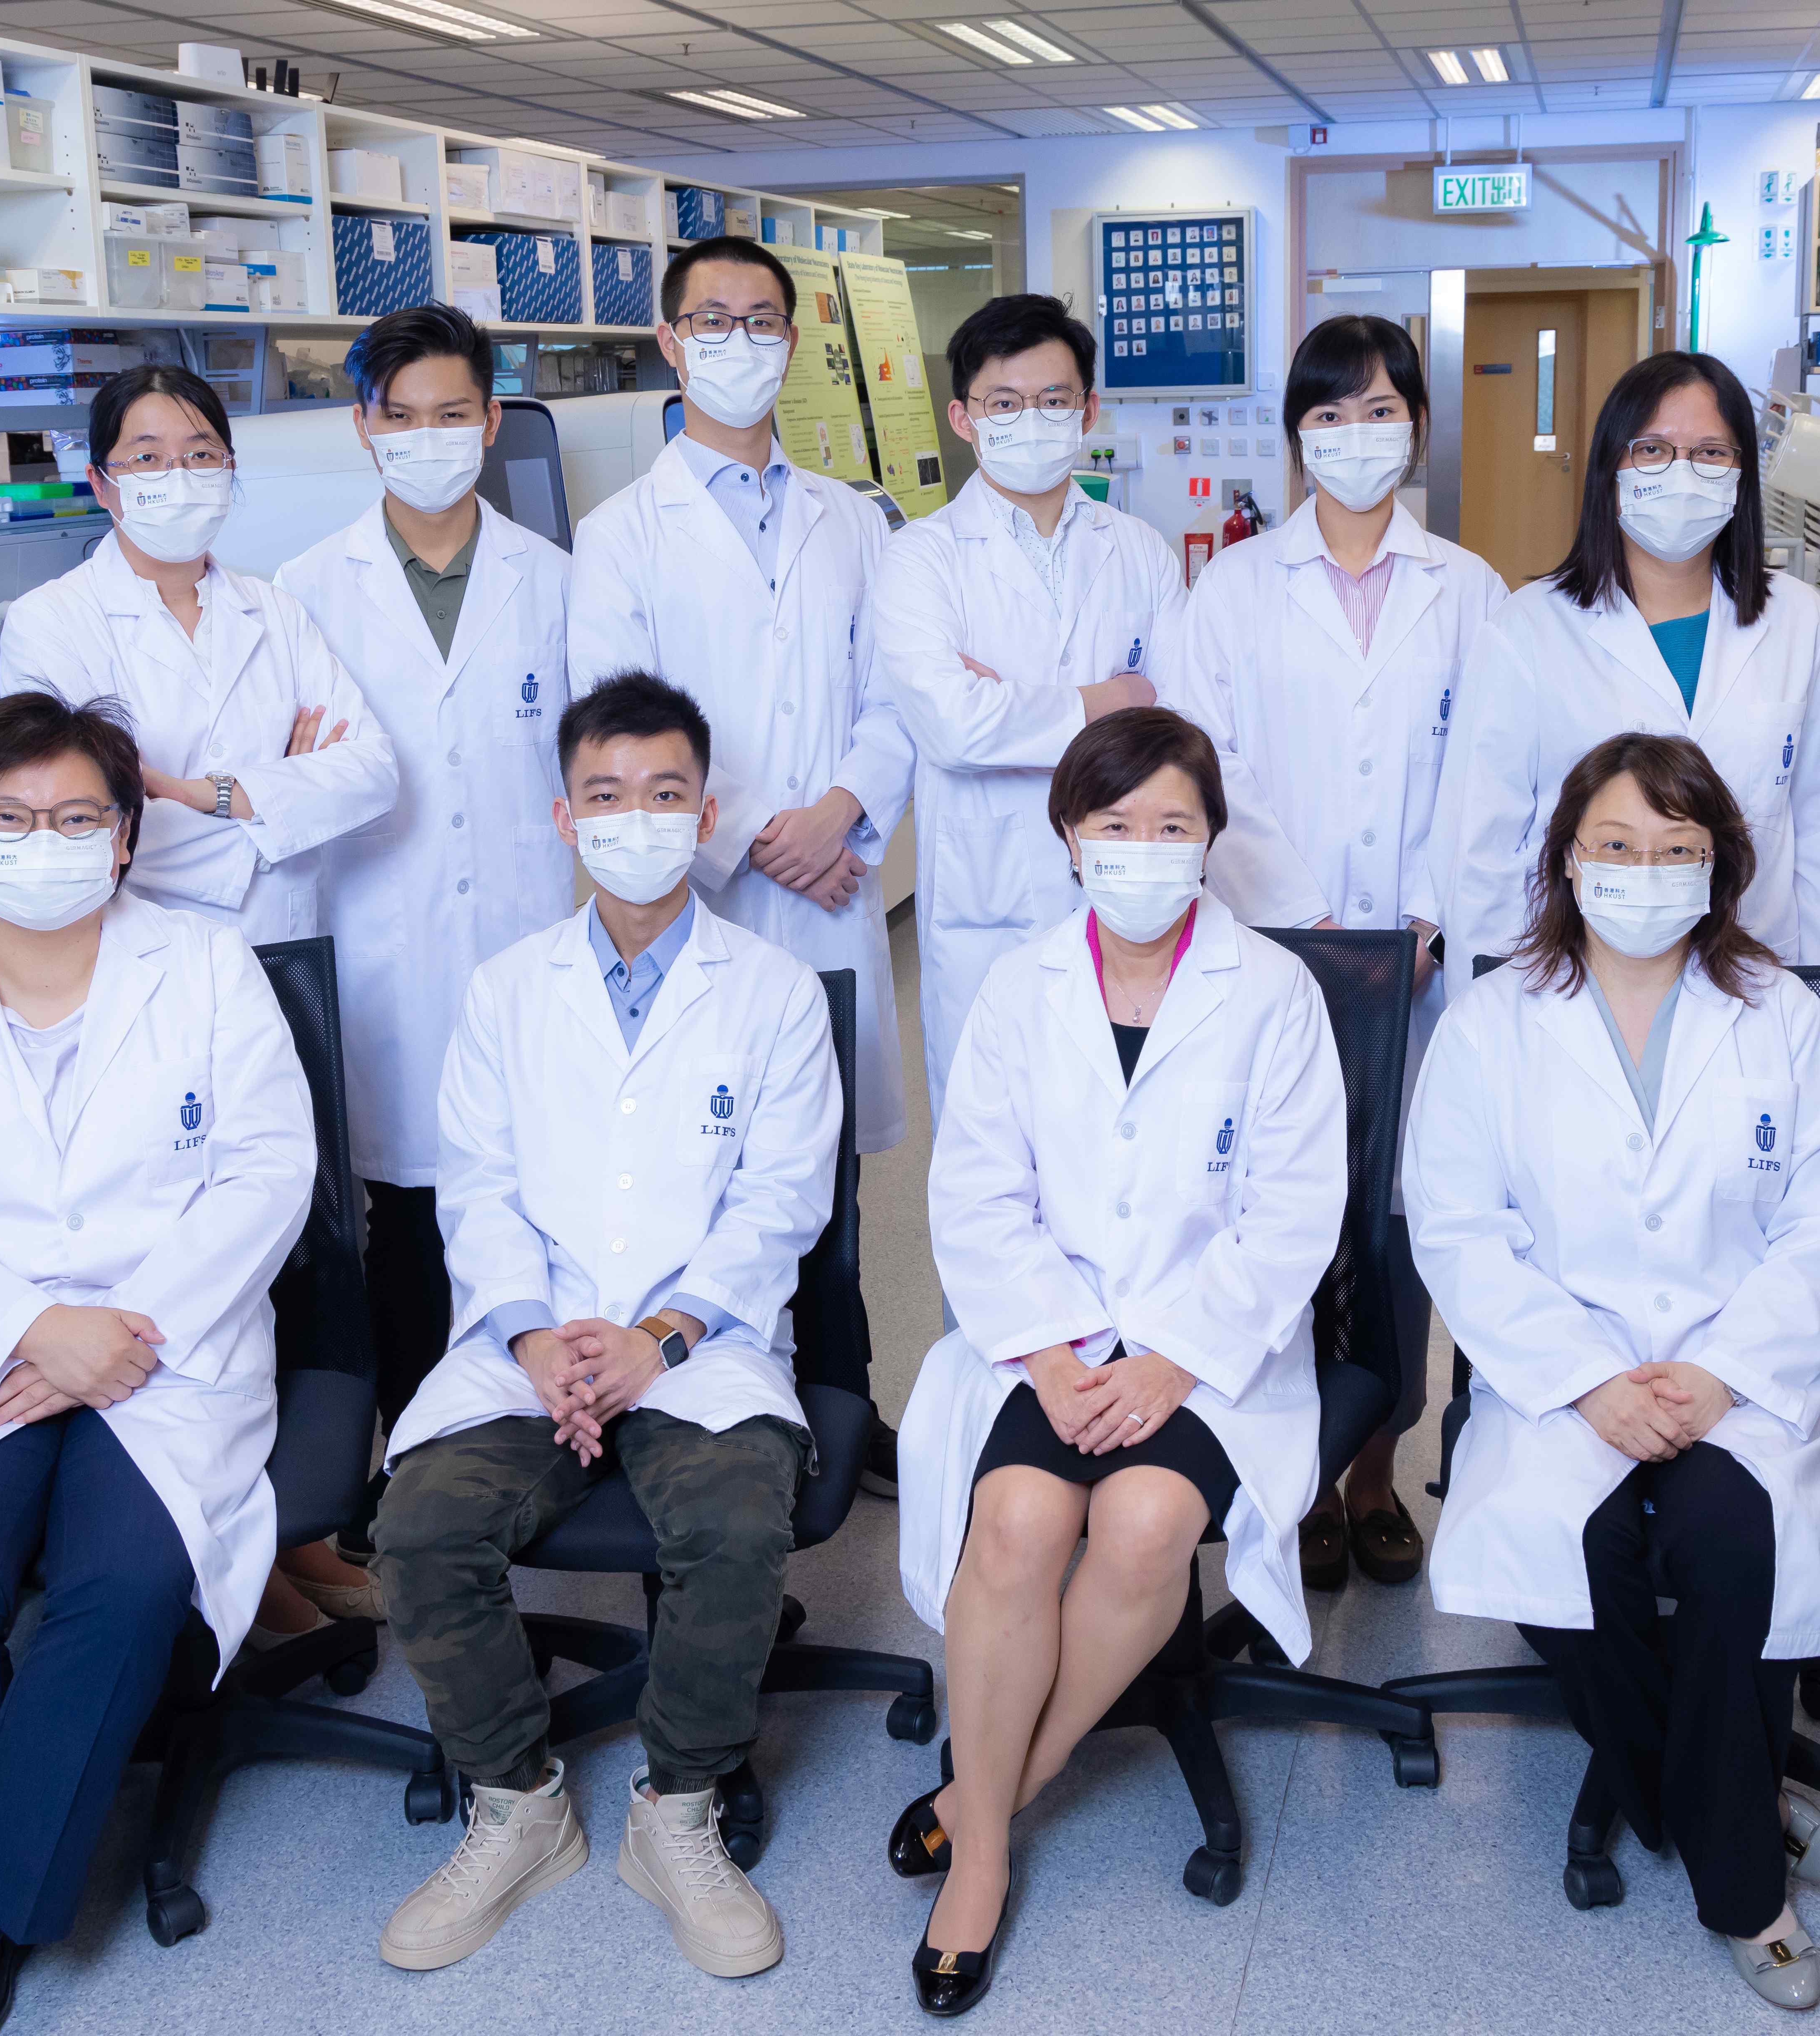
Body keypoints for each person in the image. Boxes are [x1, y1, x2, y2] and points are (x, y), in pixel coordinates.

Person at [0, 693, 316, 2036]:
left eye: (78, 816)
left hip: (172, 1344)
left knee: (123, 1585)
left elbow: (270, 1171)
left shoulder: (207, 968)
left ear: (127, 836)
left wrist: (127, 1327)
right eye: (10, 818)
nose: (45, 841)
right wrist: (35, 1330)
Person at [1407, 732, 1820, 2014]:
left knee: (1731, 1548)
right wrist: (1586, 1381)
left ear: (1717, 867)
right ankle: (1737, 1812)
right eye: (1614, 846)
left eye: (1675, 850)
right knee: (1582, 1558)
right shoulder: (1492, 1021)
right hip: (1558, 1386)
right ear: (1567, 861)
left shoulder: (1777, 1016)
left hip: (1730, 1380)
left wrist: (1723, 1374)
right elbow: (1456, 1229)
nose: (1641, 871)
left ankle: (1738, 1889)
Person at [368, 674, 840, 1983]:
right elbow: (476, 1188)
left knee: (734, 1527)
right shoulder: (505, 991)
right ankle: (517, 1804)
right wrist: (535, 1340)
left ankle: (677, 1813)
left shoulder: (774, 994)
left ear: (706, 812)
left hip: (702, 1345)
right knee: (420, 1527)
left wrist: (659, 1339)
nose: (637, 819)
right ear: (565, 820)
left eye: (665, 793)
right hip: (530, 1346)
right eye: (607, 796)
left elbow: (782, 1203)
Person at [891, 708, 1347, 2017]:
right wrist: (1047, 1355)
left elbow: (1292, 1214)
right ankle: (985, 1859)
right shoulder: (1018, 989)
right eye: (1114, 825)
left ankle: (991, 1801)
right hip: (1051, 1333)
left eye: (1171, 825)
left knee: (1146, 1521)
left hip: (1212, 1342)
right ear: (1069, 837)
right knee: (1019, 1519)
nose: (1143, 850)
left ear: (1209, 839)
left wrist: (1175, 1362)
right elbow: (978, 1195)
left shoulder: (1272, 992)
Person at [1169, 311, 1508, 1593]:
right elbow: (1207, 770)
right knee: (1283, 1213)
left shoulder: (1468, 590)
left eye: (1380, 411)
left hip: (1421, 963)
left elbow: (1492, 776)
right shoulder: (1234, 588)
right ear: (1295, 434)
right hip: (1275, 953)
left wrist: (1420, 919)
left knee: (1399, 1226)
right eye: (1329, 414)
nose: (1355, 436)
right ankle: (1293, 1479)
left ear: (1416, 425)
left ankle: (1374, 1479)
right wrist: (1309, 926)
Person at [277, 302, 578, 1491]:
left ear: (492, 422)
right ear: (362, 428)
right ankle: (416, 1472)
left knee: (537, 1199)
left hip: (527, 934)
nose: (426, 438)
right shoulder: (305, 592)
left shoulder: (555, 584)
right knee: (402, 1219)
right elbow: (298, 781)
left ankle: (546, 1451)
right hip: (382, 944)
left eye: (452, 414)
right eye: (399, 418)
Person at [569, 234, 910, 1162]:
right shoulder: (618, 534)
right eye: (712, 322)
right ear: (670, 343)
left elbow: (895, 700)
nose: (739, 341)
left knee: (830, 1179)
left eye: (761, 323)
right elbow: (615, 728)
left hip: (833, 879)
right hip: (703, 887)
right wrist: (765, 836)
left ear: (791, 345)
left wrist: (837, 817)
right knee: (704, 1158)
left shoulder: (853, 520)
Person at [1432, 350, 1820, 1039]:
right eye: (1653, 450)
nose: (1682, 474)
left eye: (1710, 453)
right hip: (1571, 991)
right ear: (1610, 468)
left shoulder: (1801, 623)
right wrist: (1495, 1013)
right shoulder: (1527, 629)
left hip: (1758, 984)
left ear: (1742, 475)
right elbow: (1481, 848)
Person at [870, 292, 1191, 1124]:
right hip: (989, 905)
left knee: (1132, 1134)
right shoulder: (920, 559)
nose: (1032, 419)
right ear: (963, 418)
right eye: (1004, 403)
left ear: (1087, 410)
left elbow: (1178, 734)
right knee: (994, 1148)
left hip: (1128, 894)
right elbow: (953, 726)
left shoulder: (1139, 552)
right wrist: (1112, 700)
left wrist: (1009, 706)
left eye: (1053, 399)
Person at [0, 364, 396, 945]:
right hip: (140, 940)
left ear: (230, 471)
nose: (179, 477)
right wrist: (285, 797)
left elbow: (374, 772)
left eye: (202, 455)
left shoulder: (276, 610)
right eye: (147, 458)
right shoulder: (49, 622)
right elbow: (77, 821)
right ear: (100, 484)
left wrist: (200, 794)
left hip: (282, 939)